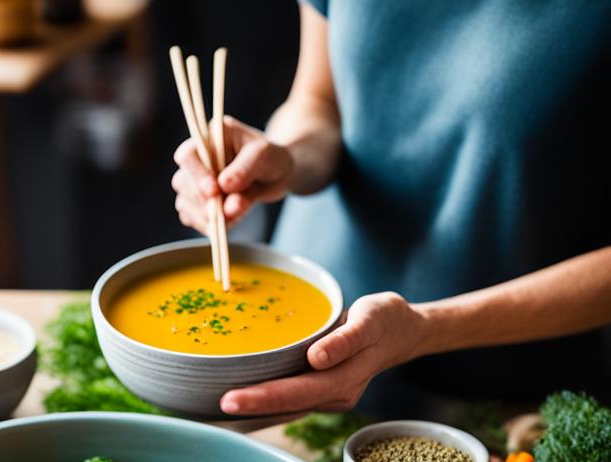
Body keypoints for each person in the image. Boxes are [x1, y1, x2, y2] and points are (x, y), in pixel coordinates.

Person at [171, 2, 611, 420]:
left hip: (501, 391)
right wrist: (282, 157)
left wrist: (426, 327)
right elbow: (319, 101)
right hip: (290, 337)